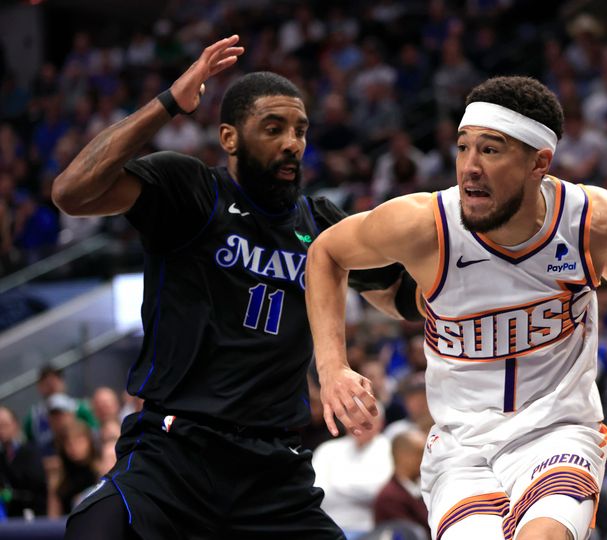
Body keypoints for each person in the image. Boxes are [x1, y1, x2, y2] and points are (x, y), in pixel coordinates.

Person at [306, 75, 607, 540]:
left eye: (490, 150)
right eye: (463, 148)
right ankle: (397, 295)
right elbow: (326, 252)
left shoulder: (589, 218)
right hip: (462, 447)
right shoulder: (421, 223)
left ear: (540, 163)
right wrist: (333, 368)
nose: (470, 166)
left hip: (558, 430)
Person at [53, 36, 420, 540]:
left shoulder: (324, 228)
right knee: (94, 529)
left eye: (300, 130)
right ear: (229, 137)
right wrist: (168, 104)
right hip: (175, 450)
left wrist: (461, 255)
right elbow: (71, 192)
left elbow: (400, 299)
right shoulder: (190, 191)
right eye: (274, 128)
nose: (292, 142)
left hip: (273, 468)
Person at [312, 405, 392, 536]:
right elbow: (316, 491)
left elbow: (378, 490)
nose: (359, 424)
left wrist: (335, 483)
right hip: (325, 527)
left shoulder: (388, 448)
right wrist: (354, 486)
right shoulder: (327, 449)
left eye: (366, 420)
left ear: (379, 423)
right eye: (353, 418)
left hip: (368, 530)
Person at [373, 429, 430, 535]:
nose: (426, 459)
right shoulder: (389, 498)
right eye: (420, 453)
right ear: (402, 456)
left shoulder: (424, 487)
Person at [0, 406, 46, 517]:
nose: (1, 430)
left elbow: (37, 482)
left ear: (15, 425)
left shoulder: (31, 451)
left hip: (34, 513)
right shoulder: (2, 458)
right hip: (10, 516)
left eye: (4, 425)